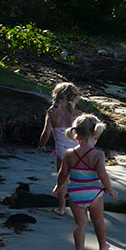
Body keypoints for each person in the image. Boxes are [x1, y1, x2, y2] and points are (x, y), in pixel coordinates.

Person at [54, 114, 117, 250]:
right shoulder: (98, 154)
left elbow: (62, 173)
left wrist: (58, 186)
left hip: (75, 195)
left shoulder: (69, 154)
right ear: (95, 135)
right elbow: (102, 175)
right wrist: (110, 189)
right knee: (99, 220)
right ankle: (103, 245)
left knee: (80, 224)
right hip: (94, 194)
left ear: (76, 136)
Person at [37, 82, 80, 215]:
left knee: (62, 180)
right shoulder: (79, 114)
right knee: (78, 178)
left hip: (62, 153)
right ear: (73, 98)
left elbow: (46, 133)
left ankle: (61, 208)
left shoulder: (52, 113)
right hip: (78, 151)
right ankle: (81, 205)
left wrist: (41, 145)